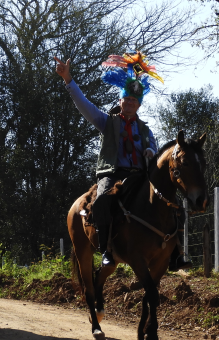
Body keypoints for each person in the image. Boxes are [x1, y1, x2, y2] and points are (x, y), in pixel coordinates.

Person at [55, 52, 192, 270]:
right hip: (112, 174)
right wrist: (68, 80)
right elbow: (83, 105)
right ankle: (107, 251)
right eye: (126, 99)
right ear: (120, 101)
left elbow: (154, 149)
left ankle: (176, 253)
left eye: (134, 101)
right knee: (101, 202)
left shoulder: (146, 130)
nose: (129, 103)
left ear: (138, 105)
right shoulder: (106, 122)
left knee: (174, 206)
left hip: (139, 175)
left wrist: (149, 150)